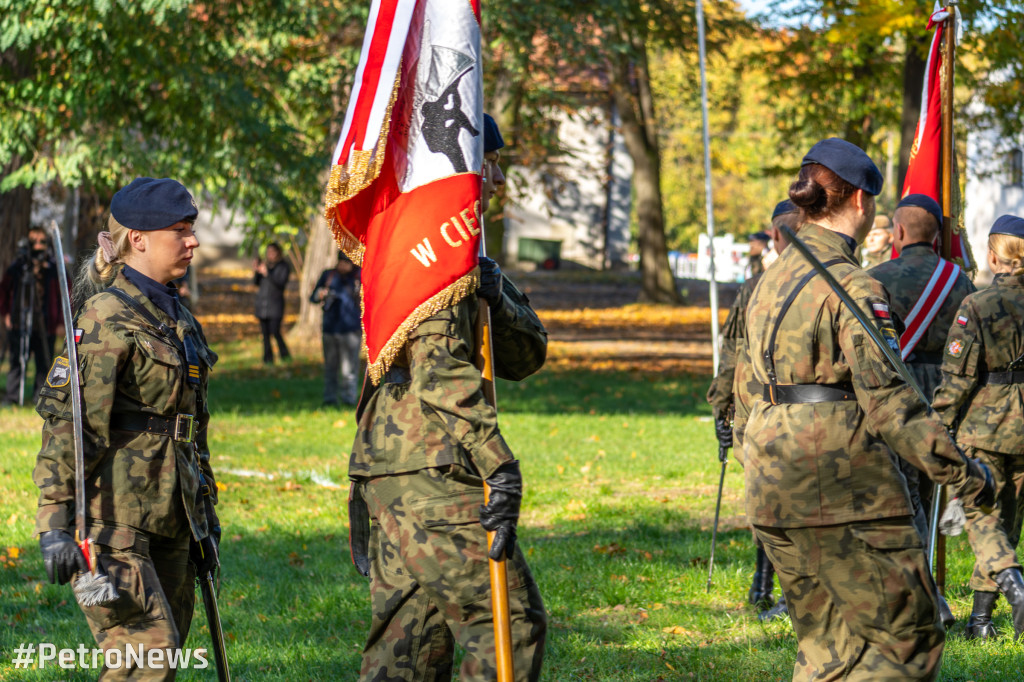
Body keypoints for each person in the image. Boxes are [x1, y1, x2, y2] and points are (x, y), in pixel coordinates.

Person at [734, 138, 993, 680]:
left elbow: (744, 388)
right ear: (860, 201)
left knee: (827, 648)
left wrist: (754, 463)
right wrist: (964, 473)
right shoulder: (853, 286)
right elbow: (891, 403)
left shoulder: (767, 282)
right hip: (848, 490)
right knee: (909, 638)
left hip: (772, 485)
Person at [349, 114, 548, 680]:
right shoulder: (431, 255)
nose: (498, 178)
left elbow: (528, 355)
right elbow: (441, 378)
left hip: (399, 468)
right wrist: (499, 463)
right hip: (434, 466)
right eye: (489, 162)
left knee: (408, 643)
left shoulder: (458, 255)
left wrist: (498, 299)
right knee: (507, 622)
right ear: (459, 168)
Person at [33, 177, 220, 680]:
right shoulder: (104, 317)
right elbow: (70, 428)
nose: (193, 241)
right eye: (179, 230)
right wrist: (54, 523)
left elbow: (190, 431)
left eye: (192, 229)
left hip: (171, 520)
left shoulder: (178, 319)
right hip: (104, 533)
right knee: (145, 656)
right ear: (138, 238)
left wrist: (205, 513)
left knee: (165, 654)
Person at [867, 193, 976, 592]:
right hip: (947, 390)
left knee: (899, 487)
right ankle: (926, 577)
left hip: (898, 389)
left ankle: (917, 585)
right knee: (930, 487)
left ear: (897, 231)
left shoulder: (878, 276)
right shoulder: (959, 279)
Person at [932, 213, 1024, 641]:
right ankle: (980, 621)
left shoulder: (978, 304)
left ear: (992, 256)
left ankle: (1015, 588)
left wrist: (940, 424)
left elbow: (958, 376)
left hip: (985, 425)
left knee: (983, 516)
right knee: (1008, 520)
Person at [707, 199, 796, 622]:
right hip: (776, 408)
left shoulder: (759, 284)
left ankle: (766, 584)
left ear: (775, 235)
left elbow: (731, 351)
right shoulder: (821, 281)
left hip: (756, 407)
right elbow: (733, 348)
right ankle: (765, 583)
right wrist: (721, 402)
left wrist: (722, 402)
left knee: (767, 497)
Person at [0, 227, 66, 405]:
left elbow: (67, 296)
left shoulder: (54, 268)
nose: (38, 246)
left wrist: (62, 321)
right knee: (17, 361)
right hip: (19, 322)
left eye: (42, 242)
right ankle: (13, 397)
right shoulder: (18, 267)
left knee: (44, 363)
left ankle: (41, 398)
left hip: (48, 323)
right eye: (33, 242)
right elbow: (3, 290)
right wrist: (6, 313)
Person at [312, 252, 361, 407]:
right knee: (330, 368)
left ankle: (349, 398)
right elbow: (312, 297)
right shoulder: (329, 275)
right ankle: (329, 399)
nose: (343, 265)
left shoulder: (358, 276)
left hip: (351, 330)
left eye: (346, 262)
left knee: (349, 369)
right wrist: (320, 294)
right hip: (330, 329)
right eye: (340, 261)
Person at [254, 242, 291, 364]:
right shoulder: (266, 265)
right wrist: (257, 271)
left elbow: (280, 283)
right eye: (268, 252)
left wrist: (267, 274)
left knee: (275, 331)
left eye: (273, 252)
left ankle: (284, 354)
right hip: (263, 305)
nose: (270, 254)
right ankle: (268, 358)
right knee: (265, 334)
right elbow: (256, 283)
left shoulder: (283, 266)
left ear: (278, 252)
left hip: (275, 305)